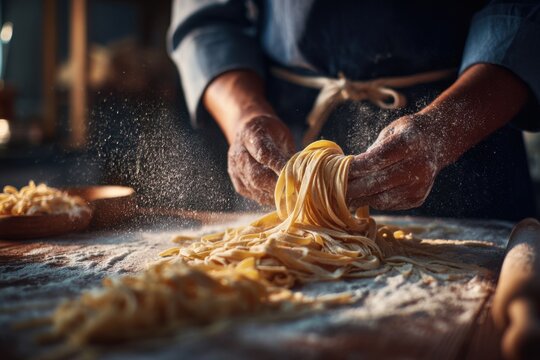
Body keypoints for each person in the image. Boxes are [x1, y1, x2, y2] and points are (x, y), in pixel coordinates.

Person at [168, 0, 540, 221]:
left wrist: (444, 131)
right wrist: (244, 115)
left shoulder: (454, 130)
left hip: (467, 131)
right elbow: (208, 18)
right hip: (284, 133)